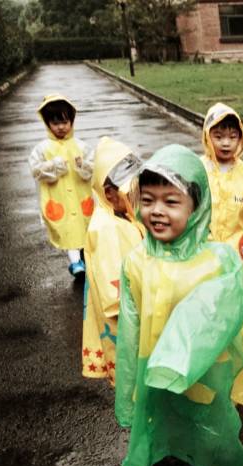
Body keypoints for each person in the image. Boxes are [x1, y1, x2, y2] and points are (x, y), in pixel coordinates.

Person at [115, 144, 243, 466]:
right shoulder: (136, 262)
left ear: (195, 208)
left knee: (217, 436)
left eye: (171, 201)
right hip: (156, 373)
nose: (157, 211)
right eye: (147, 200)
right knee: (175, 435)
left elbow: (227, 317)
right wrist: (130, 383)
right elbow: (131, 328)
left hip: (204, 373)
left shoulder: (217, 259)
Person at [200, 103, 243, 415]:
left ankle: (236, 328)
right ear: (207, 137)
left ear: (241, 139)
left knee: (237, 292)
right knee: (210, 289)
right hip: (209, 245)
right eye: (218, 136)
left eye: (232, 136)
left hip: (237, 244)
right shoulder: (201, 169)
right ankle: (213, 336)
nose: (225, 143)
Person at [81, 137, 144, 385]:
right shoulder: (106, 229)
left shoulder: (123, 217)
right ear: (109, 194)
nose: (140, 196)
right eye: (134, 191)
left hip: (136, 322)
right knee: (137, 390)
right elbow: (114, 298)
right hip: (128, 330)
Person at [28, 94, 95, 280]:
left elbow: (92, 168)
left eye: (65, 122)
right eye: (55, 123)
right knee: (67, 229)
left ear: (72, 121)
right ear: (47, 123)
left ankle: (84, 258)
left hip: (81, 197)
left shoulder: (81, 146)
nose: (61, 127)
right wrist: (54, 165)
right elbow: (36, 170)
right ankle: (76, 263)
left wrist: (82, 165)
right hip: (59, 199)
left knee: (84, 226)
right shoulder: (42, 149)